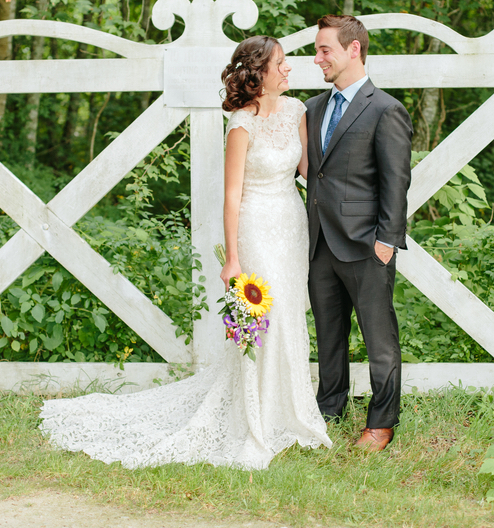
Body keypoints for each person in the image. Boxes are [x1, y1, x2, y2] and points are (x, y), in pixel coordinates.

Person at [39, 36, 331, 470]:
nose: (289, 69)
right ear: (259, 75)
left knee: (288, 314)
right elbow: (232, 197)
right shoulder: (240, 125)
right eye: (281, 64)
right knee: (262, 320)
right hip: (254, 227)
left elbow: (310, 172)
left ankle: (288, 412)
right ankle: (255, 417)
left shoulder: (297, 112)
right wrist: (232, 259)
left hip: (291, 225)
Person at [304, 15, 413, 452]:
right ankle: (329, 410)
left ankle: (382, 422)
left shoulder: (386, 109)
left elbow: (396, 181)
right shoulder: (311, 109)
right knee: (329, 336)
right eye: (317, 50)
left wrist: (387, 242)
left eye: (325, 49)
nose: (317, 58)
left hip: (368, 245)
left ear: (354, 50)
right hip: (319, 244)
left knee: (378, 338)